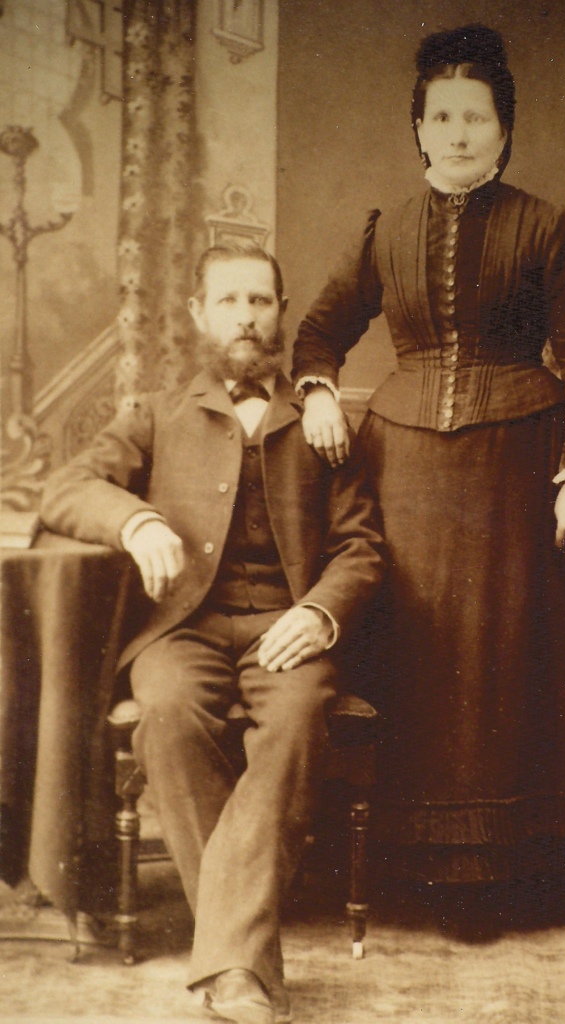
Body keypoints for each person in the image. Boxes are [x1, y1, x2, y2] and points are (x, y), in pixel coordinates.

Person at [292, 24, 565, 913]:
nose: (457, 134)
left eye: (475, 117)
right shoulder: (386, 231)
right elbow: (319, 330)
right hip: (402, 473)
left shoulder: (548, 225)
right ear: (418, 129)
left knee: (511, 659)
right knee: (417, 651)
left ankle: (514, 874)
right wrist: (319, 391)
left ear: (504, 128)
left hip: (520, 473)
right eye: (440, 117)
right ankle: (401, 870)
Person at [40, 242, 386, 1024]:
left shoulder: (324, 424)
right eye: (228, 301)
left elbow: (361, 547)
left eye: (259, 300)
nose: (245, 317)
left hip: (287, 630)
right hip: (182, 628)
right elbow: (67, 487)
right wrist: (135, 521)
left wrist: (319, 613)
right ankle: (241, 964)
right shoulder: (155, 414)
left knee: (297, 721)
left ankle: (229, 967)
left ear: (282, 311)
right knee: (164, 712)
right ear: (199, 313)